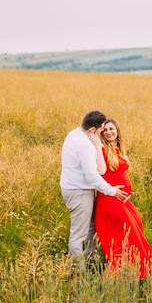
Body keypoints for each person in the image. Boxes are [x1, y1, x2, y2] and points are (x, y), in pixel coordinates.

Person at [60, 110, 129, 268]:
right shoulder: (86, 146)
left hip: (80, 189)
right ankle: (79, 273)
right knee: (78, 234)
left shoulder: (74, 134)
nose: (103, 133)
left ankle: (91, 263)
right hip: (79, 192)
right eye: (101, 130)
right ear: (92, 130)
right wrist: (112, 191)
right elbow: (93, 175)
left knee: (91, 227)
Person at [92, 118, 152, 280]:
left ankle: (130, 273)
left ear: (117, 131)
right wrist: (98, 145)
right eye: (105, 130)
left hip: (123, 200)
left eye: (111, 129)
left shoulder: (118, 149)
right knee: (126, 236)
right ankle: (126, 275)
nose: (108, 132)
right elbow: (99, 172)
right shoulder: (102, 150)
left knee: (136, 228)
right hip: (110, 199)